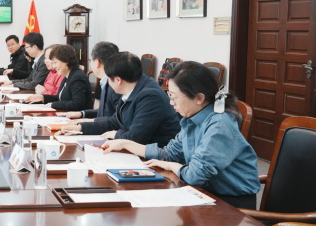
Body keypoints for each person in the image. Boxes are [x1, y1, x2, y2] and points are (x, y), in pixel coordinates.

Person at [102, 61, 260, 209]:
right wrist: (124, 143)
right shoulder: (192, 119)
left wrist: (171, 166)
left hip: (231, 204)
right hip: (204, 193)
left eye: (174, 97)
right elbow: (168, 153)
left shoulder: (219, 125)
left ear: (199, 98)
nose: (171, 103)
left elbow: (195, 175)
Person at [61, 52, 180, 145]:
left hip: (156, 158)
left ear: (118, 80)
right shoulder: (132, 87)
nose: (108, 83)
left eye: (108, 79)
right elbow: (114, 122)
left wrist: (116, 134)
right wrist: (80, 128)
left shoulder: (150, 97)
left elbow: (135, 138)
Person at [57, 41, 121, 121]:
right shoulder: (105, 82)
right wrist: (82, 113)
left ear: (97, 62)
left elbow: (115, 119)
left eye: (90, 60)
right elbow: (105, 111)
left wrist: (89, 121)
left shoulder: (115, 85)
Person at [24, 44, 93, 111]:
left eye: (55, 63)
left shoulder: (77, 77)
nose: (54, 66)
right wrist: (43, 98)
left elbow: (77, 104)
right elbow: (59, 97)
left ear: (65, 61)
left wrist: (53, 104)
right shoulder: (68, 75)